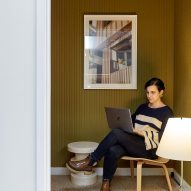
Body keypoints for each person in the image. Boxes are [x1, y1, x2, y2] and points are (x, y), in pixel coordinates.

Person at [66, 77, 173, 191]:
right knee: (112, 150)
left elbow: (164, 137)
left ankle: (90, 161)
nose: (149, 96)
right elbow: (131, 121)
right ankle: (105, 184)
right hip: (133, 142)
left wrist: (140, 132)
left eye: (153, 92)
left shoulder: (166, 112)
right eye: (147, 92)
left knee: (116, 133)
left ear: (161, 92)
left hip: (149, 149)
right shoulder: (142, 107)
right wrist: (122, 122)